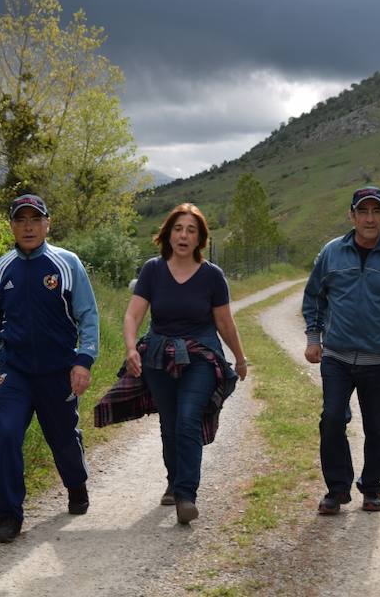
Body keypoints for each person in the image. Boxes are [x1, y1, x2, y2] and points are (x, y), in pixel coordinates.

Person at [96, 202, 247, 525]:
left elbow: (224, 322)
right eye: (178, 228)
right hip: (158, 355)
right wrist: (130, 348)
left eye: (191, 230)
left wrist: (240, 357)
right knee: (169, 422)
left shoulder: (212, 276)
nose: (184, 235)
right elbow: (133, 313)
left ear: (200, 238)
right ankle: (174, 479)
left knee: (188, 417)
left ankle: (186, 495)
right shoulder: (153, 270)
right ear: (168, 234)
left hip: (201, 356)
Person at [302, 186, 380, 515]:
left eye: (376, 211)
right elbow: (314, 296)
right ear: (352, 216)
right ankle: (337, 489)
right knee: (331, 419)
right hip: (337, 357)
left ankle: (371, 488)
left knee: (377, 428)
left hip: (379, 359)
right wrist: (314, 337)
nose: (370, 218)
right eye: (363, 211)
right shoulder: (331, 253)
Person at [0, 194, 100, 543]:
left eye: (35, 219)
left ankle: (76, 484)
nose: (28, 226)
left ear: (48, 223)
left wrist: (83, 360)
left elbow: (88, 316)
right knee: (7, 435)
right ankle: (8, 516)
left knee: (62, 439)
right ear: (12, 226)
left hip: (58, 370)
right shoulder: (0, 270)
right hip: (14, 372)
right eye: (21, 220)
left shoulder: (66, 263)